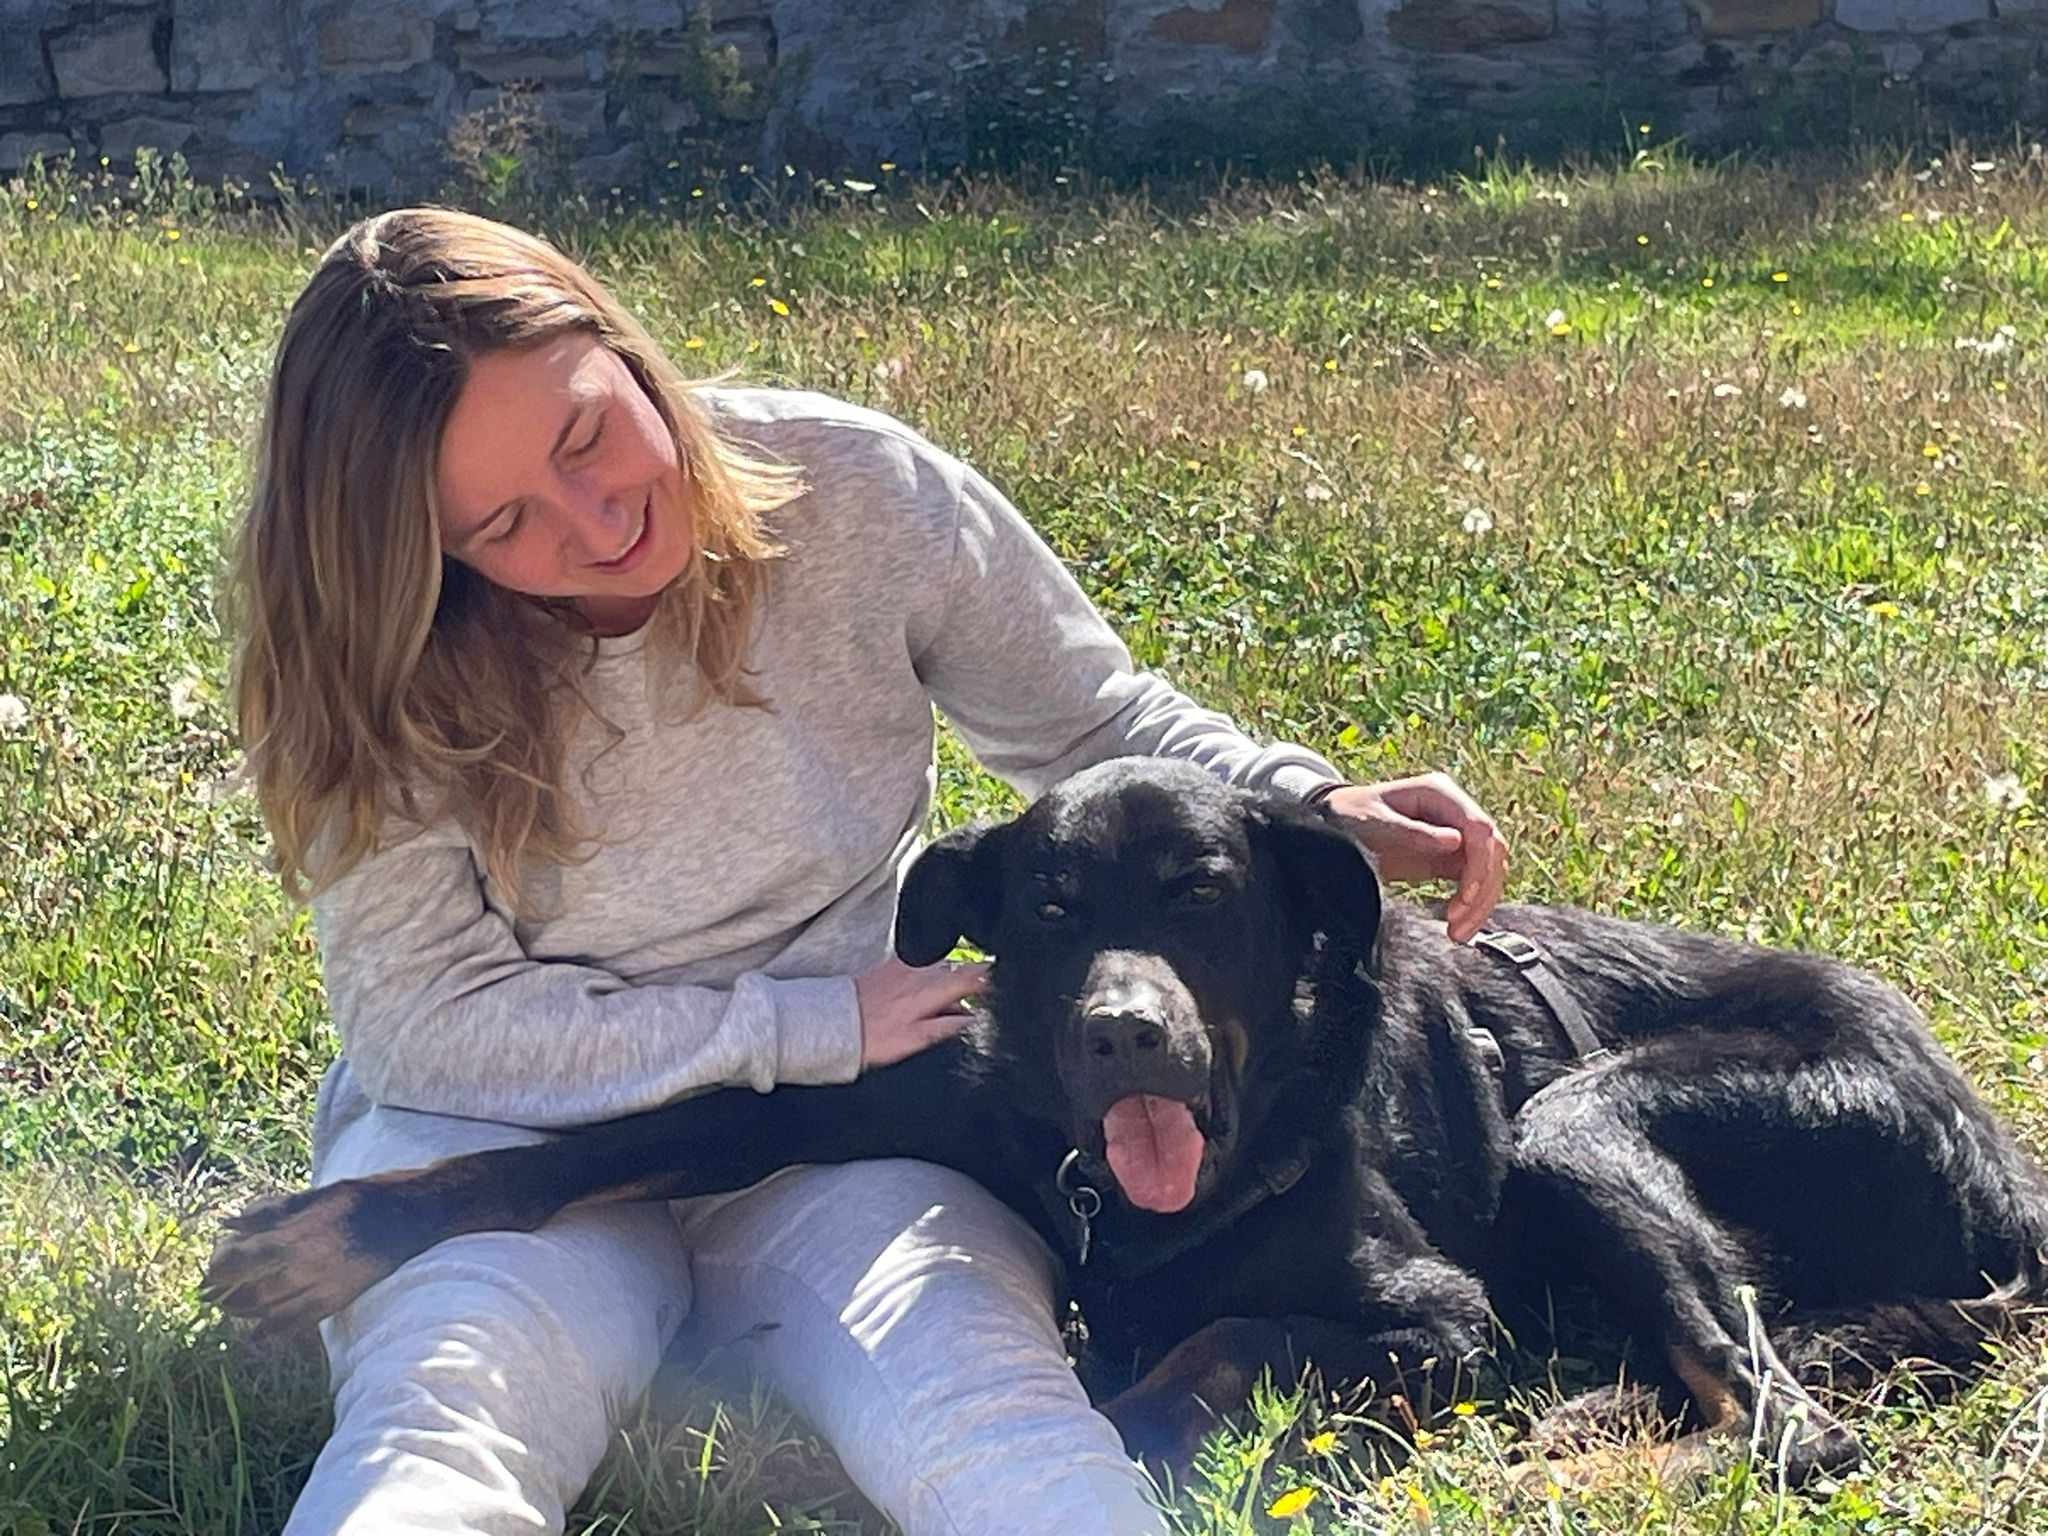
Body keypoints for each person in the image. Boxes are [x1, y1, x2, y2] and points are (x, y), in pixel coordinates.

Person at [228, 206, 1509, 1536]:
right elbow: (423, 1026)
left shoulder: (853, 487)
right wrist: (804, 1025)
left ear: (618, 343)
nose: (597, 518)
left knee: (1002, 1431)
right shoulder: (376, 662)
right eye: (504, 521)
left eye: (587, 433)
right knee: (446, 1431)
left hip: (849, 1150)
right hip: (502, 1140)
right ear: (429, 555)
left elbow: (1093, 722)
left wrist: (1313, 798)